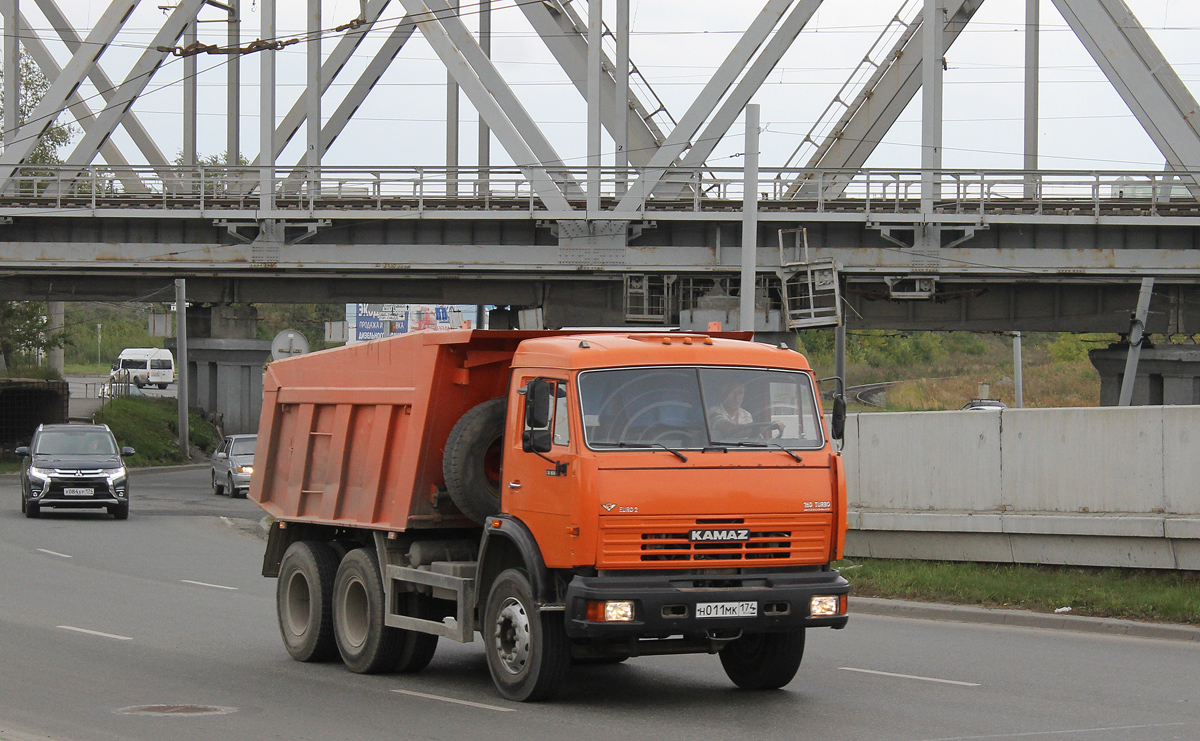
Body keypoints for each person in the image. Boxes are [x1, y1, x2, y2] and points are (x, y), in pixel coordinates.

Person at [707, 381, 782, 440]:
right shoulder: (713, 412)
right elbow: (730, 430)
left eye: (740, 393)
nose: (737, 398)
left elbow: (753, 436)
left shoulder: (746, 414)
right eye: (732, 393)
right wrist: (767, 426)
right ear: (724, 395)